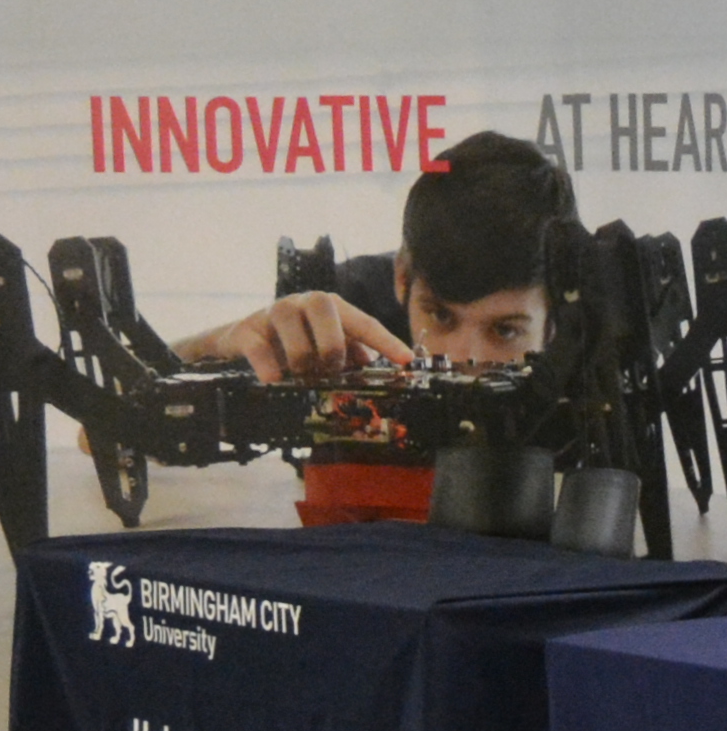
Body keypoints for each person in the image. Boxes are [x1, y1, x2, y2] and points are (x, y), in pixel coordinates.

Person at [175, 130, 569, 525]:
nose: (464, 359)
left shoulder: (597, 343)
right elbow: (138, 398)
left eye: (504, 331)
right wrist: (218, 344)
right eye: (442, 316)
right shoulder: (347, 317)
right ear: (401, 277)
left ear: (558, 312)